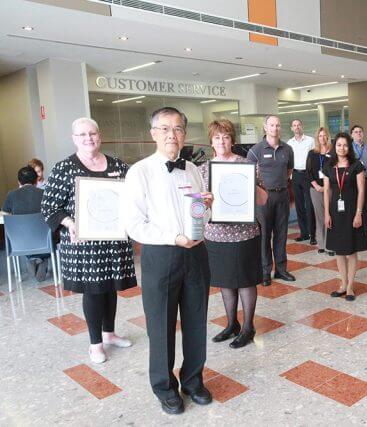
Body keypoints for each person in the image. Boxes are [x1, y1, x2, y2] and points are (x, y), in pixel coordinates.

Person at [123, 107, 213, 414]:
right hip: (161, 255)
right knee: (161, 325)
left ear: (185, 134)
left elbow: (202, 213)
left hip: (197, 253)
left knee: (196, 320)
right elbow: (134, 225)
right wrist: (173, 237)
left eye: (177, 129)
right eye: (164, 129)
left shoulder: (192, 170)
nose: (171, 135)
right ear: (153, 134)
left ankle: (192, 380)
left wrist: (207, 210)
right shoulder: (140, 172)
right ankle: (164, 387)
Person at [41, 117, 136, 364]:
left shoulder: (118, 165)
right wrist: (70, 223)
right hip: (84, 245)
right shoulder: (64, 168)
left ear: (99, 135)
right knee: (94, 291)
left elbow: (132, 198)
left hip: (114, 242)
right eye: (82, 135)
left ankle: (110, 334)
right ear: (74, 139)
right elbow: (49, 207)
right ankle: (95, 344)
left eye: (92, 133)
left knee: (111, 288)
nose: (88, 138)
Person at [198, 119, 268, 349]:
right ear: (211, 141)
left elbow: (263, 199)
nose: (221, 141)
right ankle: (232, 324)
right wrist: (202, 201)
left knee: (246, 280)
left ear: (232, 140)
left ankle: (248, 327)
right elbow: (198, 208)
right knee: (225, 282)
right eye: (217, 137)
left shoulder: (247, 164)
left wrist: (249, 183)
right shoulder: (203, 170)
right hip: (216, 235)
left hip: (244, 234)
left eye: (226, 136)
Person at [247, 115, 296, 286]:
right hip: (263, 198)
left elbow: (289, 170)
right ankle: (265, 271)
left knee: (282, 234)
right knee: (264, 235)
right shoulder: (255, 150)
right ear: (265, 127)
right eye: (272, 125)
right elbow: (249, 176)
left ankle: (281, 270)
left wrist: (279, 184)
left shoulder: (288, 149)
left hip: (282, 195)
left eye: (278, 125)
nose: (275, 128)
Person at [323, 133, 367, 300]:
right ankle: (342, 283)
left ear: (350, 147)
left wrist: (359, 213)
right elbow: (327, 191)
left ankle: (350, 286)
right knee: (339, 251)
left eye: (345, 145)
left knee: (351, 250)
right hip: (335, 212)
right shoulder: (329, 166)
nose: (342, 148)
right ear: (335, 147)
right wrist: (327, 213)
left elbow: (362, 191)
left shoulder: (356, 166)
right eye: (339, 145)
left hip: (351, 212)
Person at [1, 166, 48, 281]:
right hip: (43, 241)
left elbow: (3, 214)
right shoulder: (45, 194)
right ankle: (42, 259)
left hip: (20, 242)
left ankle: (32, 258)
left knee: (23, 234)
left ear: (19, 182)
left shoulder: (11, 194)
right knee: (48, 234)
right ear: (37, 180)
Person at [286, 119, 316, 244]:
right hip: (296, 175)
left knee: (309, 205)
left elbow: (314, 159)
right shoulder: (289, 143)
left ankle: (313, 234)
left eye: (298, 125)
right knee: (299, 205)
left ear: (301, 127)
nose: (297, 127)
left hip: (307, 175)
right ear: (292, 128)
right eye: (294, 125)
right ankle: (304, 233)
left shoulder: (310, 141)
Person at [306, 127, 334, 255]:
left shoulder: (334, 152)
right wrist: (316, 186)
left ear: (328, 137)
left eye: (324, 135)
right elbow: (309, 171)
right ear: (317, 138)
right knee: (320, 216)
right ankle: (322, 244)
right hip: (316, 189)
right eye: (320, 136)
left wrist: (328, 186)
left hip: (331, 188)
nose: (322, 138)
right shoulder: (312, 153)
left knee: (330, 215)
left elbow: (336, 171)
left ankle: (330, 245)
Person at [351, 125, 367, 237]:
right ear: (352, 134)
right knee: (353, 203)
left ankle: (366, 229)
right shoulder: (349, 147)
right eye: (356, 132)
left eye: (360, 131)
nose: (359, 134)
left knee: (365, 205)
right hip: (352, 180)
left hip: (365, 178)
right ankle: (355, 228)